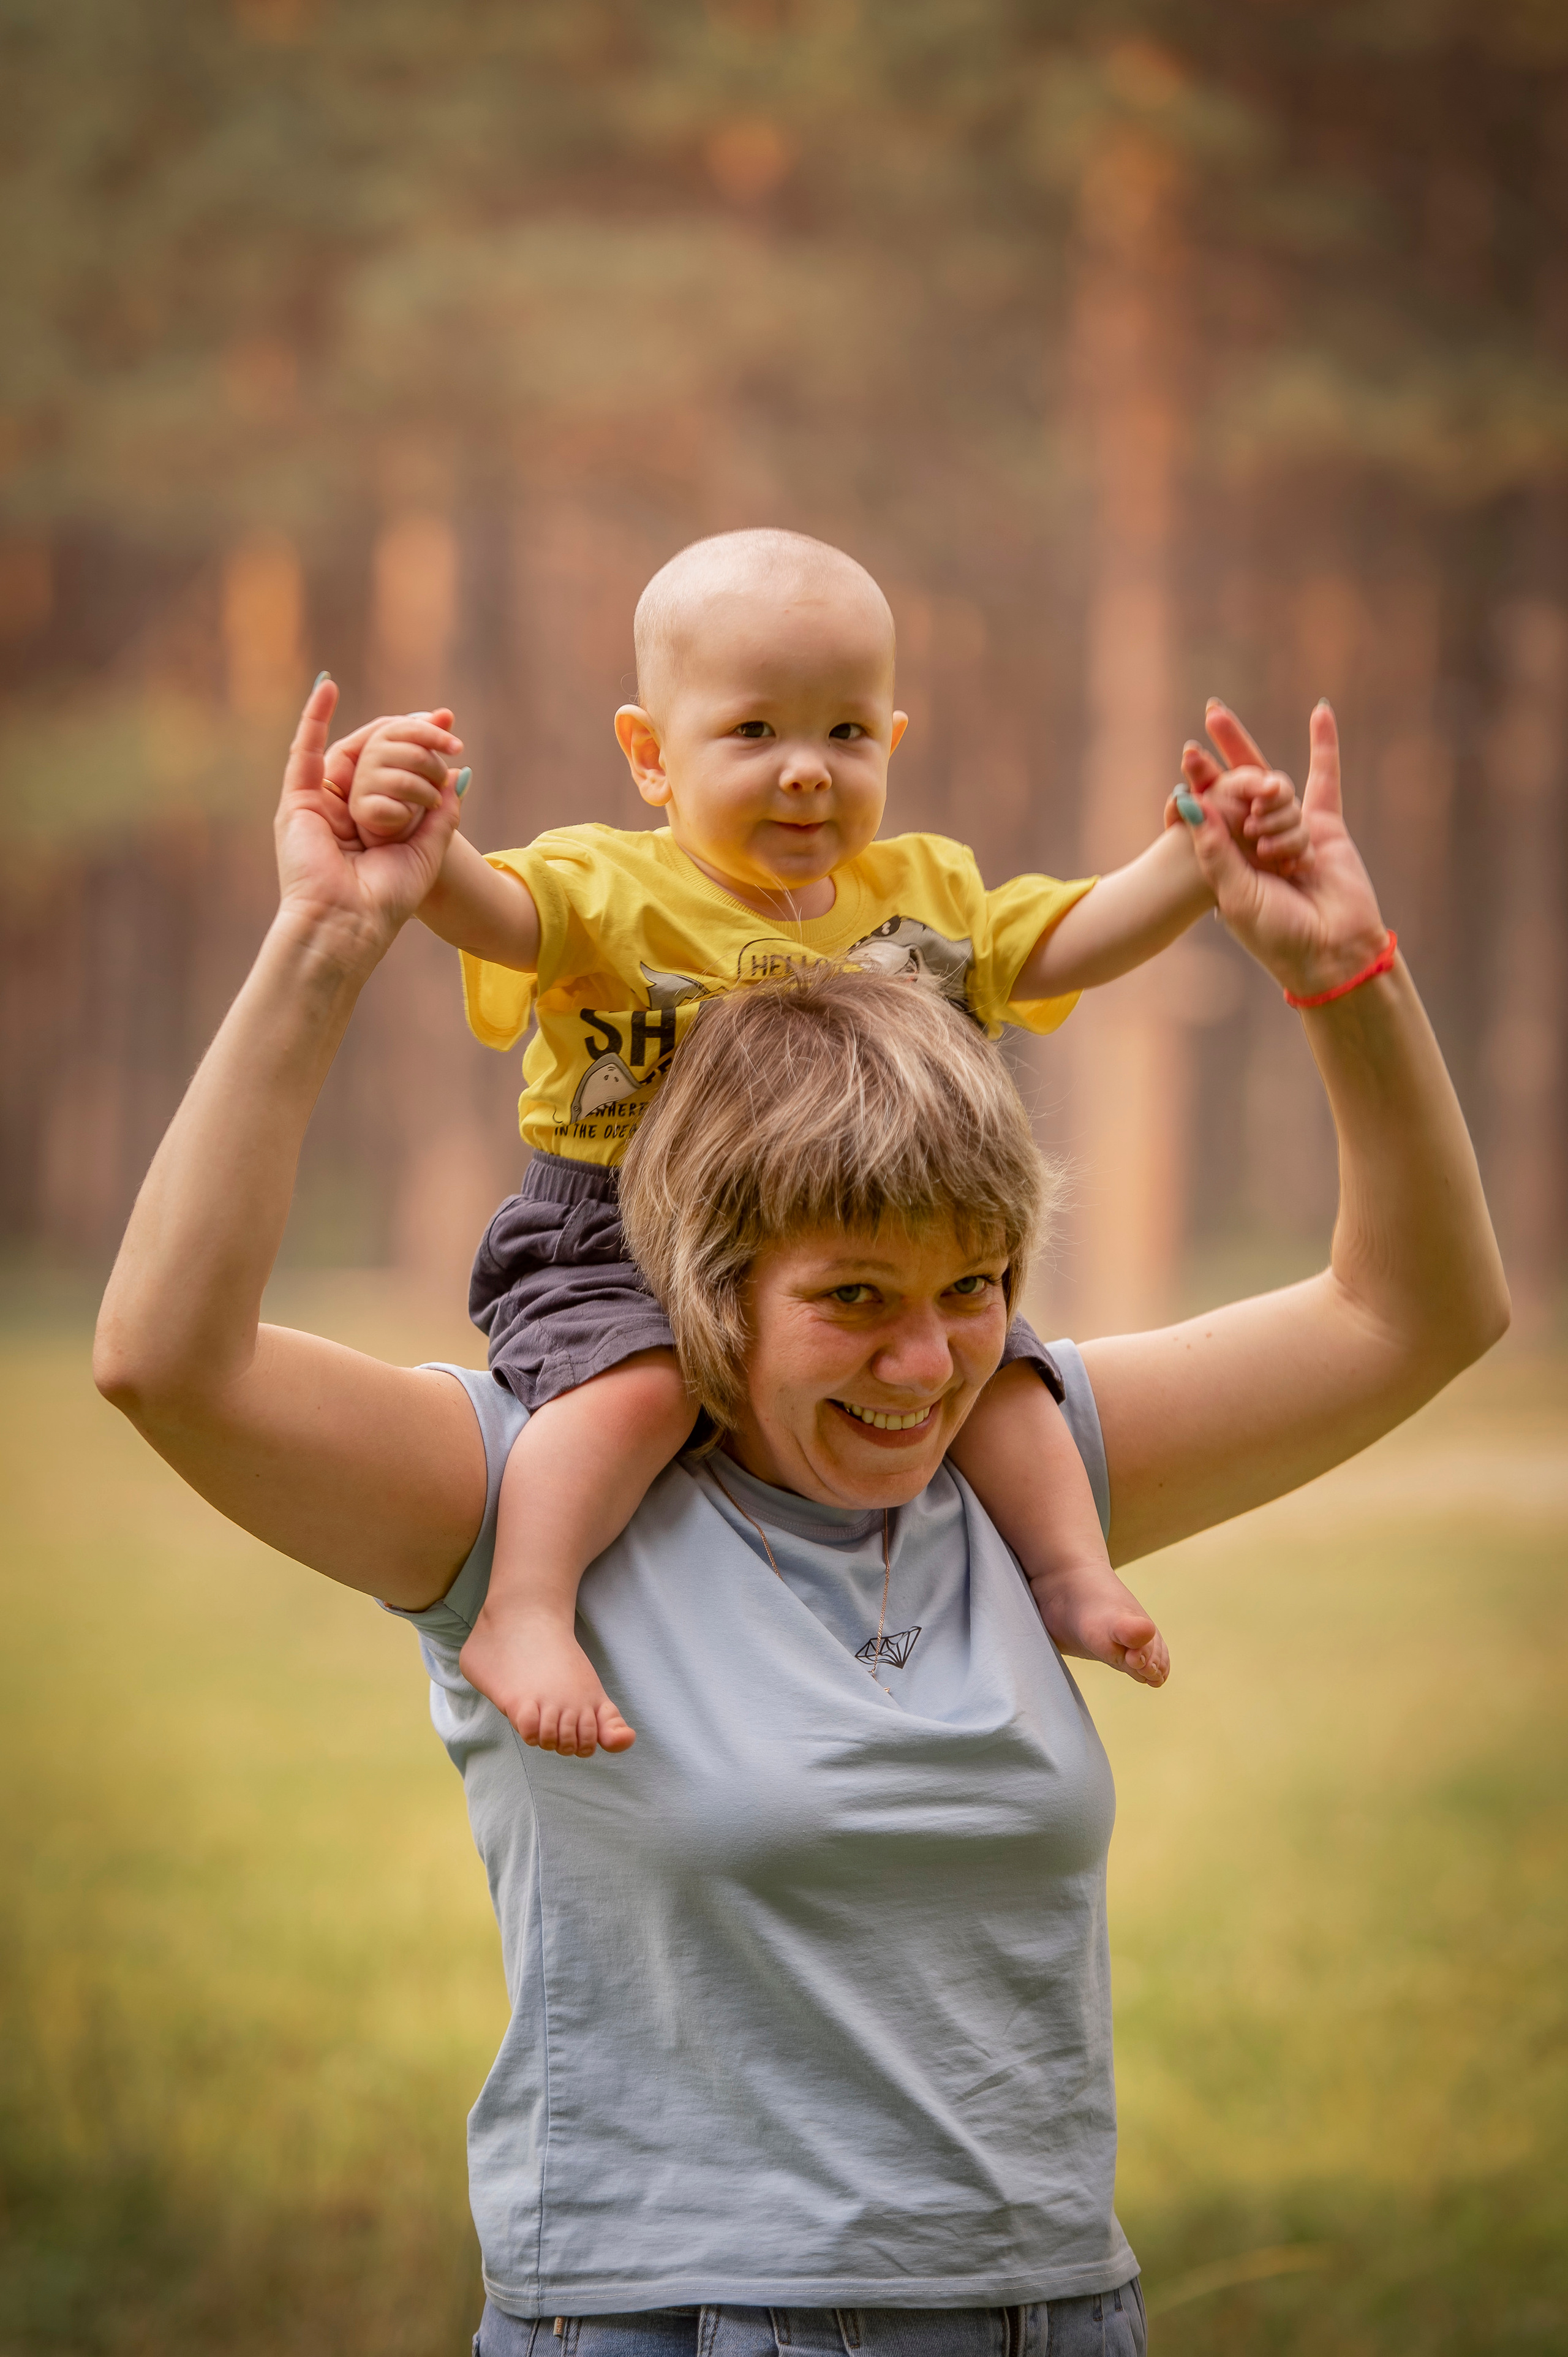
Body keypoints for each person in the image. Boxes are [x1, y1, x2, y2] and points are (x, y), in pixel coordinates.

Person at [95, 678, 1507, 2355]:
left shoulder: (1020, 1457)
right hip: (680, 2319)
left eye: (974, 1287)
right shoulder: (515, 1485)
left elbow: (1414, 1313)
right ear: (707, 1288)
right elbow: (168, 1364)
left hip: (1054, 2311)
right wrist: (328, 942)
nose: (928, 1364)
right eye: (854, 1298)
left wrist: (1338, 972)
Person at [327, 528, 1312, 1757]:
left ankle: (1063, 1570)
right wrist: (414, 834)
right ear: (649, 755)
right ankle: (524, 1611)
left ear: (891, 743)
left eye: (845, 734)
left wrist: (1189, 863)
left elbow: (1056, 943)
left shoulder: (923, 895)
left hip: (854, 1252)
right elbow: (496, 914)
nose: (806, 773)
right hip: (619, 1231)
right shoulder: (605, 885)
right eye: (753, 734)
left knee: (1001, 1375)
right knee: (635, 1388)